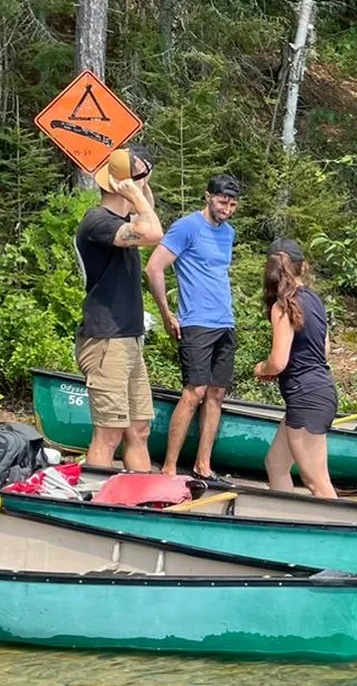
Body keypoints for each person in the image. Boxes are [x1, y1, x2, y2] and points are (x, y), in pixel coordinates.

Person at [145, 175, 242, 479]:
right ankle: (169, 468)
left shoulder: (228, 233)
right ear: (208, 197)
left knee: (216, 394)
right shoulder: (187, 227)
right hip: (196, 321)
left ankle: (203, 464)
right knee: (194, 392)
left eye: (232, 203)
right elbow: (154, 267)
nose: (227, 208)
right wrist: (166, 314)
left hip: (224, 321)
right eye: (222, 201)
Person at [74, 146, 164, 470]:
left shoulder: (122, 221)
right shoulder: (97, 222)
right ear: (123, 186)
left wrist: (141, 185)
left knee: (138, 429)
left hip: (127, 338)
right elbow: (153, 231)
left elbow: (148, 216)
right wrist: (134, 190)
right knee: (109, 434)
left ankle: (139, 503)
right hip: (104, 339)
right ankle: (97, 501)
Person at [253, 239, 338, 498]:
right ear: (304, 267)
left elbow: (279, 361)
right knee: (276, 464)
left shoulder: (284, 306)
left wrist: (262, 368)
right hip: (318, 390)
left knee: (317, 482)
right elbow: (324, 350)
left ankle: (343, 535)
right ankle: (283, 523)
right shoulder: (314, 300)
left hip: (306, 396)